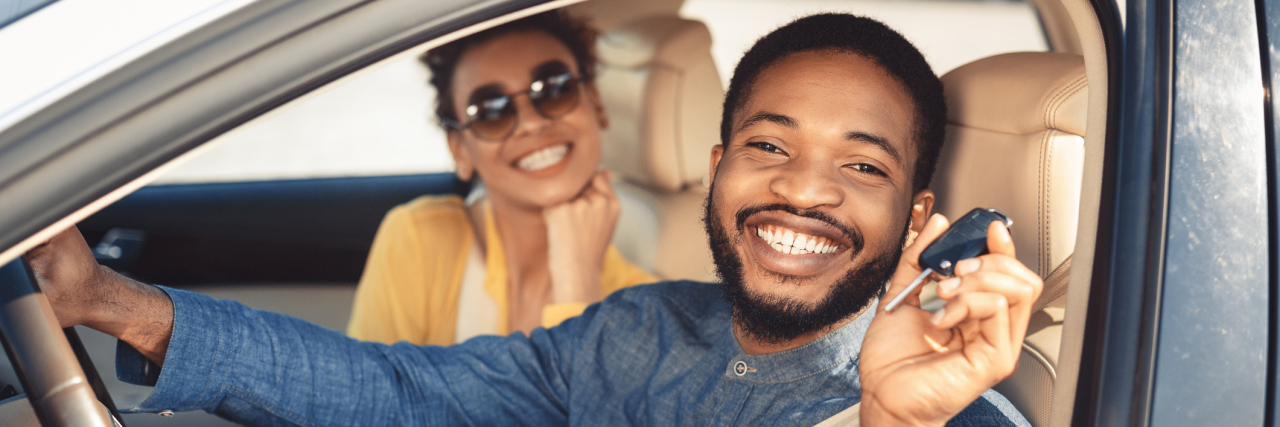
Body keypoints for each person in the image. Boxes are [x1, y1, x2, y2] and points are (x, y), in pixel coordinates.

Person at [27, 13, 1041, 426]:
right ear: (716, 169)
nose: (804, 191)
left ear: (915, 218)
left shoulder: (937, 399)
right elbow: (397, 387)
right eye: (769, 147)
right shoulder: (638, 330)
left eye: (859, 166)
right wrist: (113, 301)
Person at [347, 11, 656, 346]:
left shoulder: (647, 308)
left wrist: (577, 282)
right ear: (460, 151)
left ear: (595, 102)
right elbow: (366, 398)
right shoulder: (418, 241)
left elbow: (590, 400)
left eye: (554, 89)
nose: (530, 123)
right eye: (491, 111)